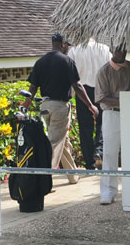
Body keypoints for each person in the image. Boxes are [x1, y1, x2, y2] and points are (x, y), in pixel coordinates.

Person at [24, 33, 99, 184]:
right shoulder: (66, 61)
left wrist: (25, 105)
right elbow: (77, 86)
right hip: (60, 106)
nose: (68, 49)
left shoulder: (40, 62)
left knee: (64, 142)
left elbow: (32, 87)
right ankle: (45, 180)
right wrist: (90, 105)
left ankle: (73, 176)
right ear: (63, 44)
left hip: (45, 106)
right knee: (56, 142)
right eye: (68, 46)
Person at [93, 44, 130, 205]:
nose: (122, 52)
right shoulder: (103, 71)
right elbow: (101, 97)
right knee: (109, 153)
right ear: (111, 50)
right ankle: (108, 191)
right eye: (118, 49)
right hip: (112, 114)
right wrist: (127, 99)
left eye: (124, 48)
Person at [68, 39, 111, 170]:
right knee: (102, 122)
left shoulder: (74, 51)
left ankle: (89, 162)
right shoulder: (104, 49)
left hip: (82, 91)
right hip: (101, 88)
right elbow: (110, 68)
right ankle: (99, 150)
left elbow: (70, 73)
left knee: (85, 127)